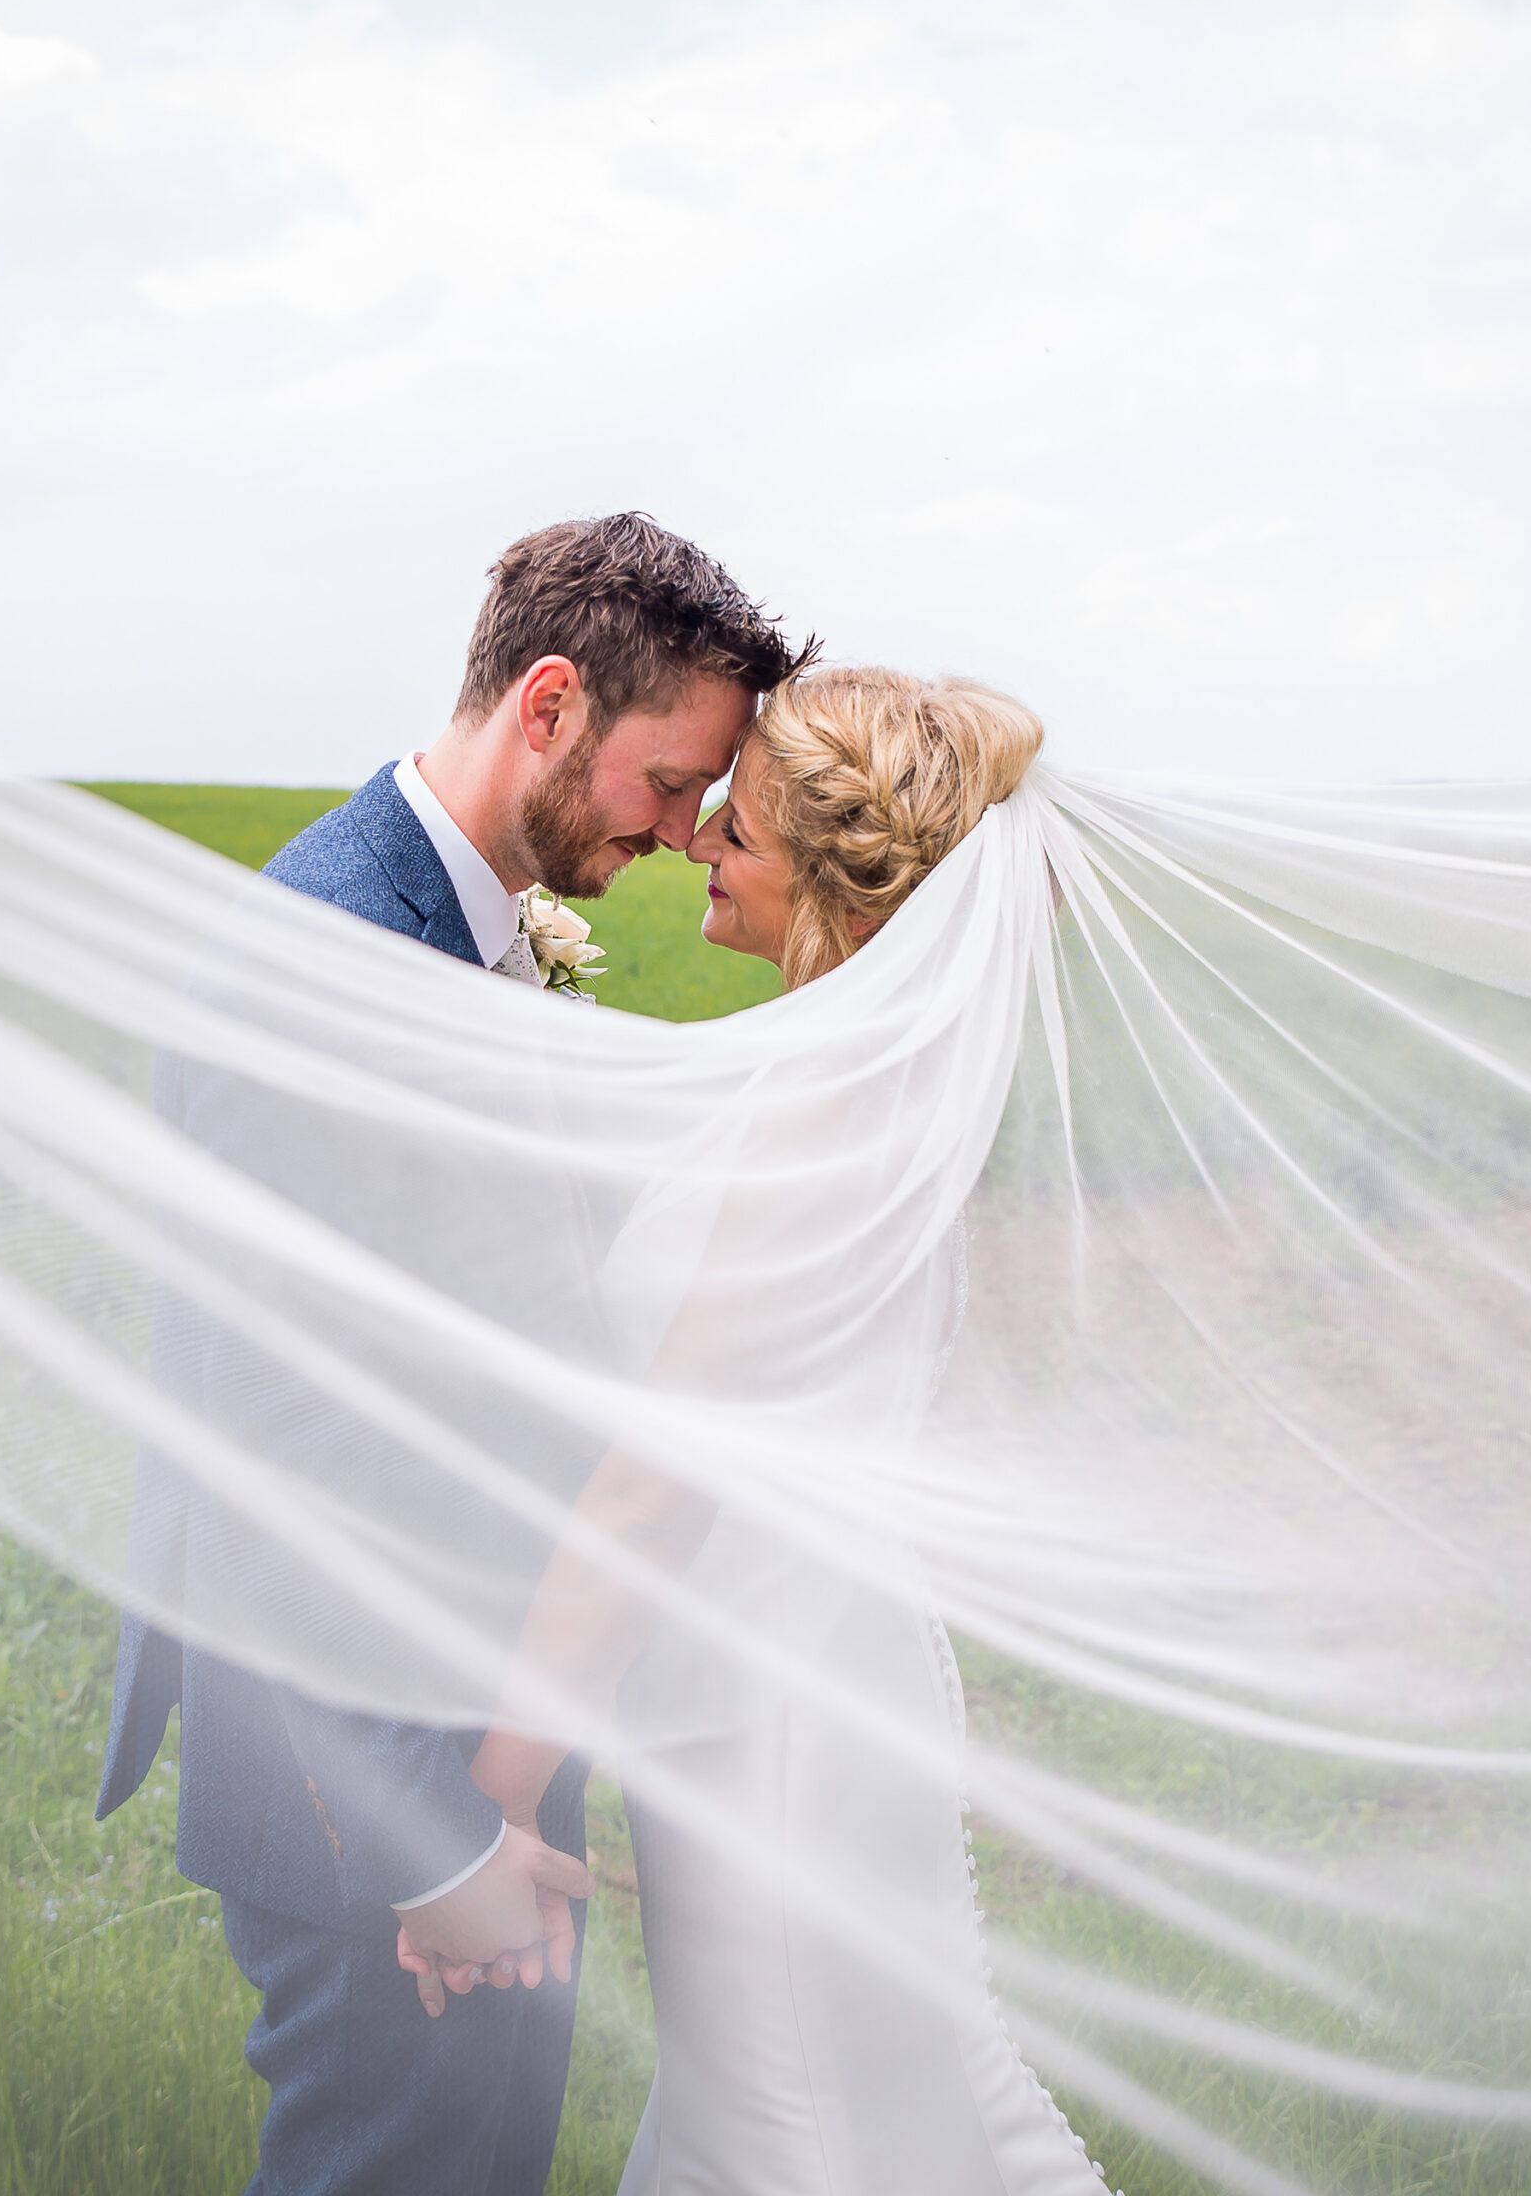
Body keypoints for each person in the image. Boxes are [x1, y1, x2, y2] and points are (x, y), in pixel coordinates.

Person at [96, 512, 812, 2196]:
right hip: (366, 1781)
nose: (679, 833)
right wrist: (434, 1848)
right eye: (669, 781)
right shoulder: (331, 962)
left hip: (476, 1722)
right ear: (550, 704)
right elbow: (276, 1445)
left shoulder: (473, 925)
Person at [403, 667, 1111, 2194]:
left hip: (773, 1719)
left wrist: (486, 1797)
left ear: (841, 879)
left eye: (750, 817)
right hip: (791, 1671)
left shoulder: (822, 1116)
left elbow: (660, 1488)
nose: (703, 829)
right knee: (888, 2108)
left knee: (788, 2121)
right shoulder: (849, 1071)